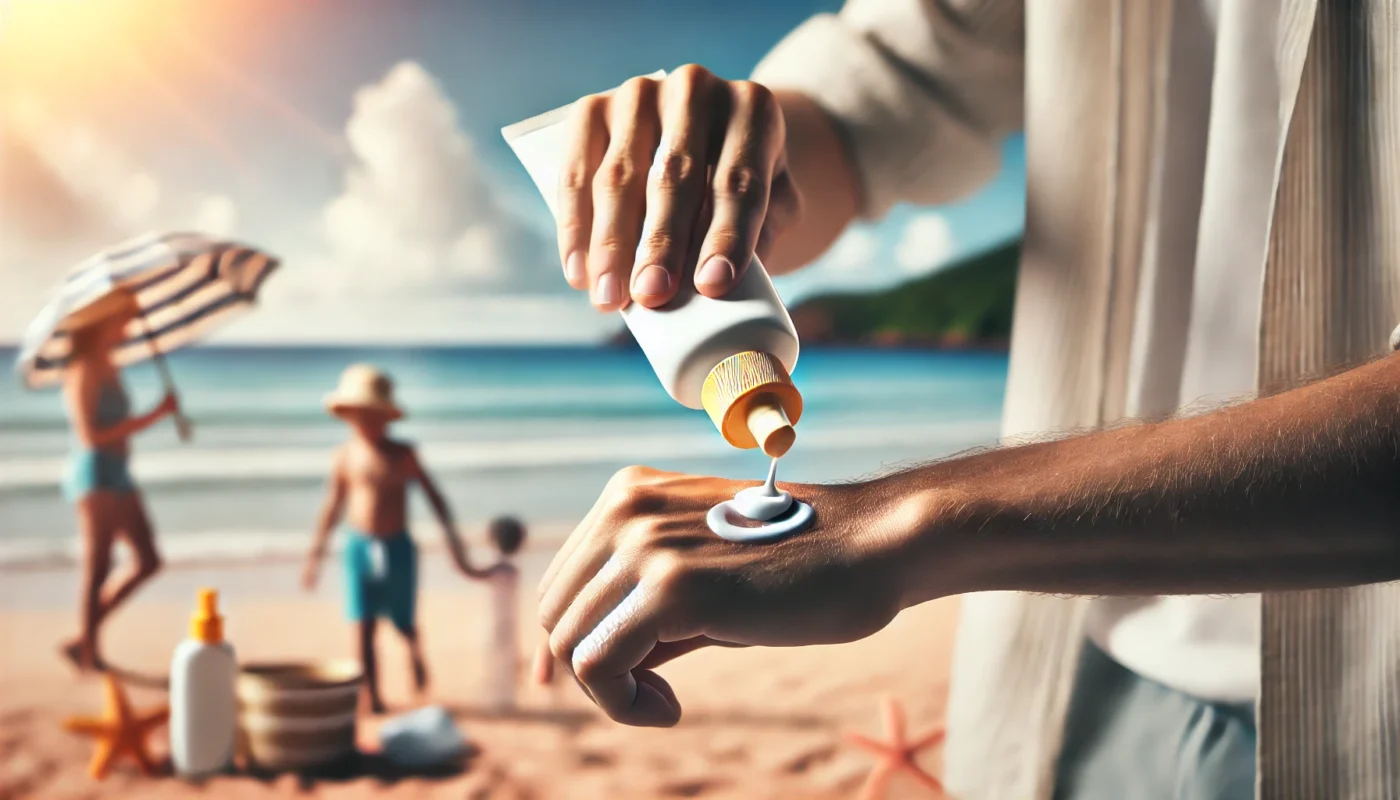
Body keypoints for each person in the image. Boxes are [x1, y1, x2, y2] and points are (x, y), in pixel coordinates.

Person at [531, 2, 1400, 798]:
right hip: (1074, 671)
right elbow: (896, 87)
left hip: (1369, 710)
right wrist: (743, 161)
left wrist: (906, 524)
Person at [302, 364, 492, 714]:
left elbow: (435, 497)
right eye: (362, 415)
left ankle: (414, 652)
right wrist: (315, 555)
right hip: (359, 546)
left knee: (402, 621)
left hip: (398, 547)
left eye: (376, 416)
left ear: (387, 417)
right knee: (363, 624)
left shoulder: (403, 453)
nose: (369, 423)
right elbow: (333, 506)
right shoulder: (344, 455)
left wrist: (455, 547)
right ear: (350, 416)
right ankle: (371, 696)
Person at [59, 291, 180, 673]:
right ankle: (91, 654)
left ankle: (83, 638)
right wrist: (155, 415)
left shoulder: (111, 364)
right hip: (96, 473)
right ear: (104, 320)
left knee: (148, 560)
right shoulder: (82, 370)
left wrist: (157, 415)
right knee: (99, 567)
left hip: (121, 473)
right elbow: (91, 434)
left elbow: (118, 429)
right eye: (124, 318)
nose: (129, 326)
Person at [480, 516, 525, 712]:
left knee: (496, 658)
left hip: (495, 621)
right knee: (504, 659)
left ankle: (499, 700)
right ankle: (505, 699)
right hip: (509, 620)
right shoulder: (512, 568)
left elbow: (470, 571)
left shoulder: (496, 566)